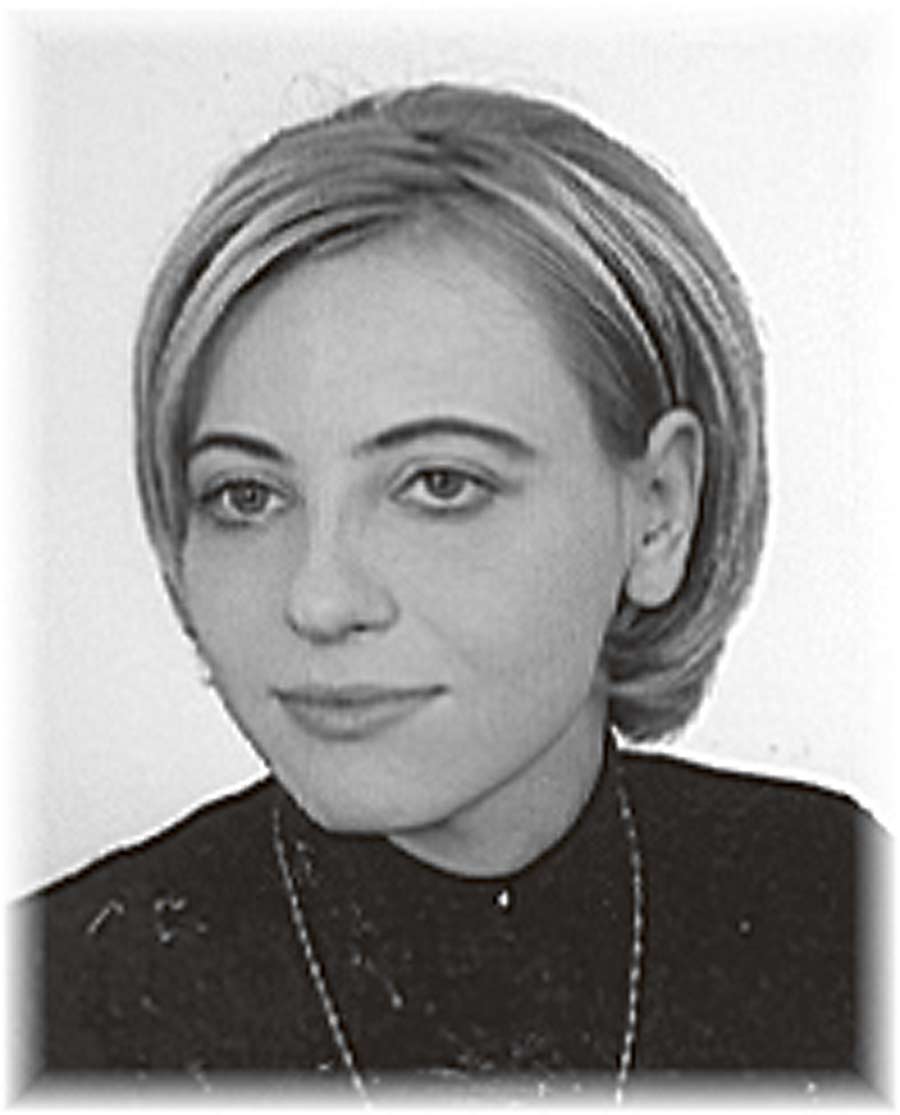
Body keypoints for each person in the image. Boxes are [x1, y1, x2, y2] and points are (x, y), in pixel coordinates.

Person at [23, 83, 883, 1101]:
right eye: (246, 495)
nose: (318, 598)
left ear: (658, 510)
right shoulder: (57, 1000)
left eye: (439, 483)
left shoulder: (838, 905)